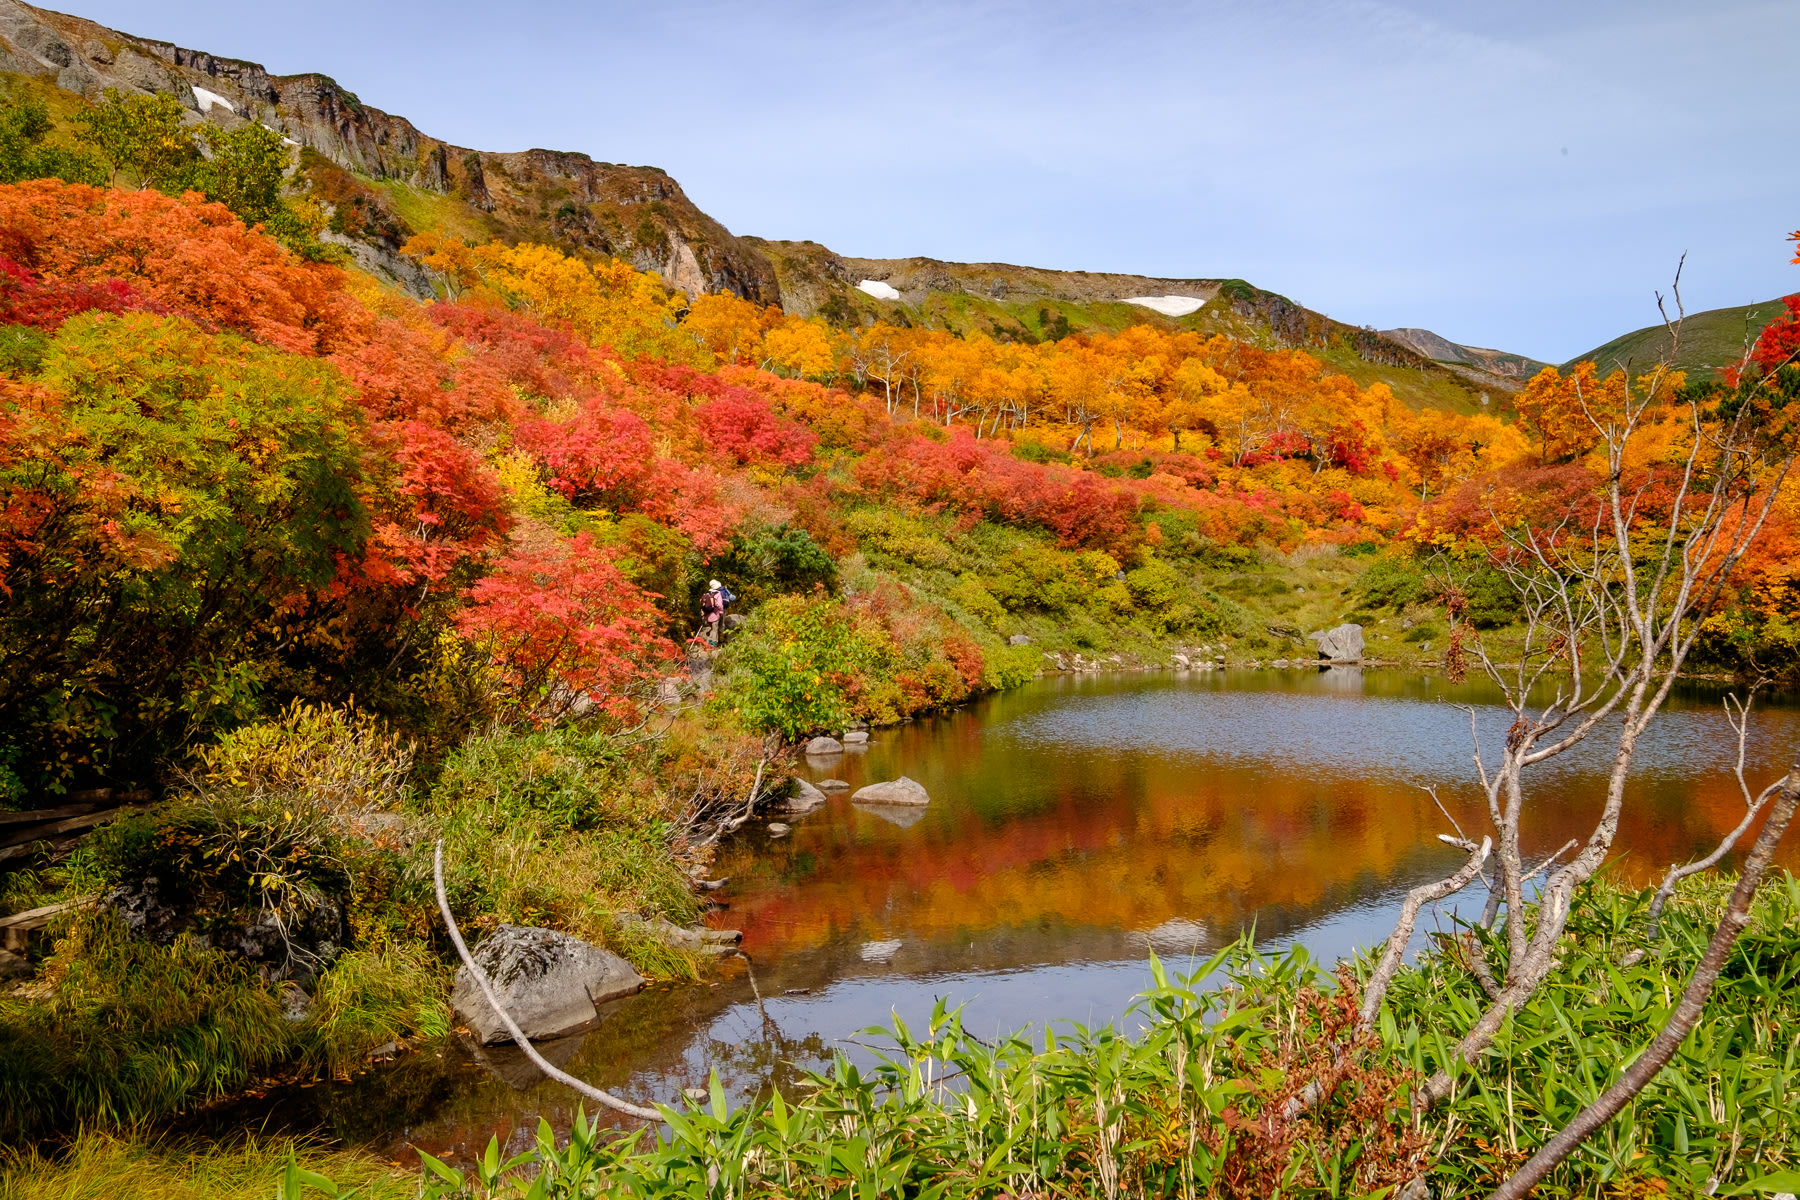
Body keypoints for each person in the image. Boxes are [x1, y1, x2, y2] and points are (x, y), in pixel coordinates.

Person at [700, 579, 730, 646]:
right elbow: (719, 604)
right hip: (715, 615)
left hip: (707, 615)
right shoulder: (717, 593)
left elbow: (702, 604)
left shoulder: (706, 593)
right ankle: (713, 643)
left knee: (712, 628)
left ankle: (710, 641)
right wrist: (721, 611)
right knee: (715, 629)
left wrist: (703, 613)